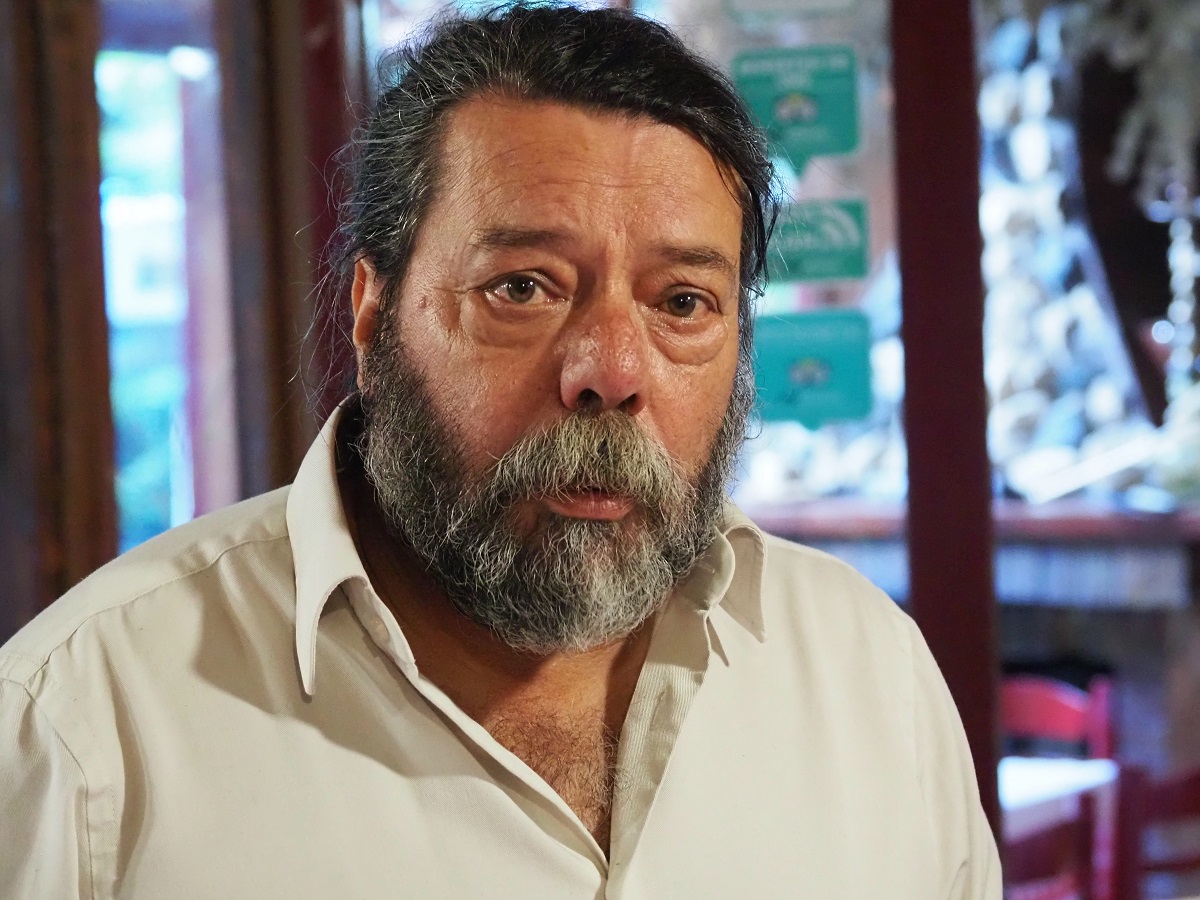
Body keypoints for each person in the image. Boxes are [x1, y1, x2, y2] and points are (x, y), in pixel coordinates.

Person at [0, 4, 1000, 897]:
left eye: (683, 302)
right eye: (523, 287)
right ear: (372, 312)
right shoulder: (83, 729)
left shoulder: (868, 679)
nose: (612, 370)